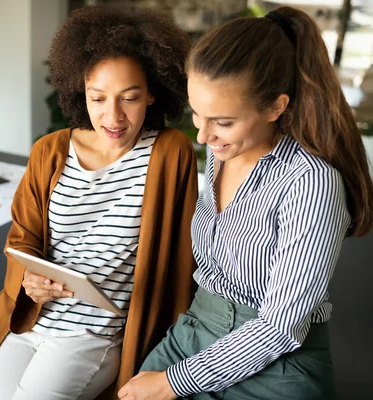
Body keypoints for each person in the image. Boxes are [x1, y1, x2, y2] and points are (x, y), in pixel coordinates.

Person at [119, 6, 373, 400]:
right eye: (197, 115)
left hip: (278, 361)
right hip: (195, 329)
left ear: (276, 107)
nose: (203, 136)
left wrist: (174, 382)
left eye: (222, 121)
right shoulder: (221, 152)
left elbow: (282, 325)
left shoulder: (311, 183)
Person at [0, 6, 198, 400]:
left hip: (92, 334)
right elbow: (23, 239)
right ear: (81, 90)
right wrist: (31, 280)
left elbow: (183, 254)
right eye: (97, 98)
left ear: (152, 93)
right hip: (35, 322)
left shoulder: (169, 153)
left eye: (129, 98)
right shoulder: (50, 151)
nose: (112, 116)